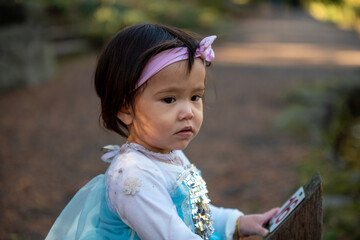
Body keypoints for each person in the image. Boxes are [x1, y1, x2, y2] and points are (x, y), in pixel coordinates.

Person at [46, 23, 279, 240]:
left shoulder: (168, 153)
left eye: (195, 97)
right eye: (169, 99)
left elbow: (196, 213)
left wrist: (238, 222)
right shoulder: (133, 175)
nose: (188, 111)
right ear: (125, 109)